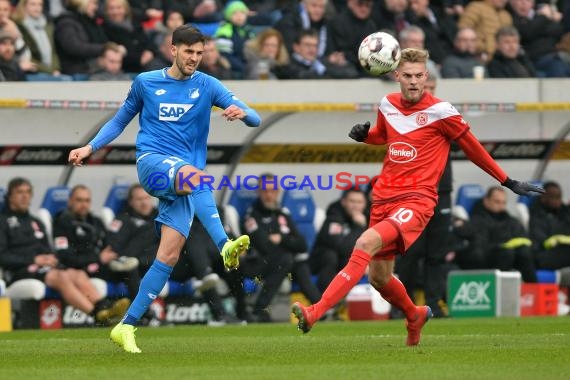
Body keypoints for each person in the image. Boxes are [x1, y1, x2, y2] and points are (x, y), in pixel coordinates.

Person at [291, 48, 544, 346]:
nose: (413, 82)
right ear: (397, 76)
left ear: (426, 77)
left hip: (417, 200)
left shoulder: (442, 112)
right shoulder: (387, 103)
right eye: (408, 76)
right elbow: (385, 136)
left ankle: (314, 312)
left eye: (419, 76)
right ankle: (414, 314)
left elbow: (474, 149)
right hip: (383, 197)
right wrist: (365, 136)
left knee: (364, 243)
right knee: (379, 277)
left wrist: (508, 181)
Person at [68, 25, 261, 353]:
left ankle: (126, 326)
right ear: (173, 50)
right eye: (189, 52)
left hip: (183, 179)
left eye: (199, 53)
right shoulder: (146, 82)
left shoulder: (208, 85)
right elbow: (119, 121)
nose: (194, 59)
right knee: (197, 178)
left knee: (168, 255)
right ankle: (225, 245)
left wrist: (242, 114)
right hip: (153, 164)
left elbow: (256, 118)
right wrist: (89, 147)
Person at [0, 177, 127, 325]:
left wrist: (50, 258)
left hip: (43, 268)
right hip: (19, 270)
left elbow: (47, 248)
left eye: (28, 192)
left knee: (77, 273)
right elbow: (2, 256)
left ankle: (105, 308)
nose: (24, 196)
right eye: (19, 192)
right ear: (10, 196)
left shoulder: (35, 222)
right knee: (60, 276)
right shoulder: (3, 222)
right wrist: (33, 260)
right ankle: (97, 314)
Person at [393, 72, 453, 318]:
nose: (426, 89)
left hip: (443, 192)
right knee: (409, 251)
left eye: (430, 86)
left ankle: (434, 303)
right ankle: (401, 306)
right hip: (412, 192)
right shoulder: (404, 117)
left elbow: (462, 144)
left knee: (437, 253)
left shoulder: (446, 114)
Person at [243, 173, 321, 322]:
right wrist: (288, 243)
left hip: (284, 262)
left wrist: (281, 238)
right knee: (287, 259)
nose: (269, 195)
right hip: (258, 264)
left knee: (298, 264)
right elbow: (264, 246)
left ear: (278, 192)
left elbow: (302, 245)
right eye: (265, 191)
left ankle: (320, 309)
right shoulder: (252, 215)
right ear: (258, 192)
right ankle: (259, 309)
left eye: (273, 191)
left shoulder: (282, 214)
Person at [52, 185, 140, 299]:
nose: (84, 204)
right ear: (70, 201)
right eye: (79, 200)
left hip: (100, 265)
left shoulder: (96, 222)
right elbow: (65, 257)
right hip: (80, 268)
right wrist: (98, 258)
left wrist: (112, 256)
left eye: (87, 200)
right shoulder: (62, 223)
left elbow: (107, 244)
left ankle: (141, 313)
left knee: (129, 269)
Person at [452, 186, 538, 282]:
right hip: (486, 258)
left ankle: (534, 290)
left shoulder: (511, 221)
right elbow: (479, 248)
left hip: (506, 255)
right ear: (486, 201)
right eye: (497, 202)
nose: (501, 205)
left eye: (503, 202)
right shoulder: (476, 221)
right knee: (506, 253)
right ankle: (499, 289)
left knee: (524, 253)